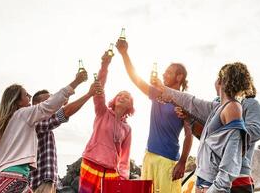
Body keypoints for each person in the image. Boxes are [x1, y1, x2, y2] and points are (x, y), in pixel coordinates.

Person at [154, 62, 253, 192]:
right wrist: (167, 93)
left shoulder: (232, 108)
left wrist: (216, 189)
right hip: (206, 181)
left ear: (221, 80)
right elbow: (191, 102)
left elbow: (231, 157)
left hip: (216, 186)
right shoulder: (217, 108)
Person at [116, 39, 193, 193]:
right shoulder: (157, 94)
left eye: (169, 72)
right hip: (149, 156)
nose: (164, 73)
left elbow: (189, 135)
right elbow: (135, 79)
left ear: (179, 77)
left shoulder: (185, 101)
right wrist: (124, 54)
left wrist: (183, 162)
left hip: (168, 161)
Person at [0, 71, 86, 193]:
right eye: (26, 95)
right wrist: (76, 82)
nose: (29, 97)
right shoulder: (23, 114)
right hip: (16, 179)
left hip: (2, 180)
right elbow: (49, 106)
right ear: (18, 101)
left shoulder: (1, 126)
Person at [30, 79, 103, 192]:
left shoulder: (40, 122)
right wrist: (89, 94)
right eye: (48, 101)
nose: (51, 103)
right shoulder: (36, 122)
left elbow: (62, 110)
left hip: (45, 181)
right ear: (36, 105)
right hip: (40, 182)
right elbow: (65, 112)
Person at [78, 51, 135, 193]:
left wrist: (122, 177)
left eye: (127, 97)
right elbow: (99, 89)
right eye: (120, 95)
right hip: (91, 163)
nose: (122, 97)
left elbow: (125, 155)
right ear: (114, 100)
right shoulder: (102, 111)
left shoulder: (127, 129)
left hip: (111, 171)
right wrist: (105, 65)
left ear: (130, 106)